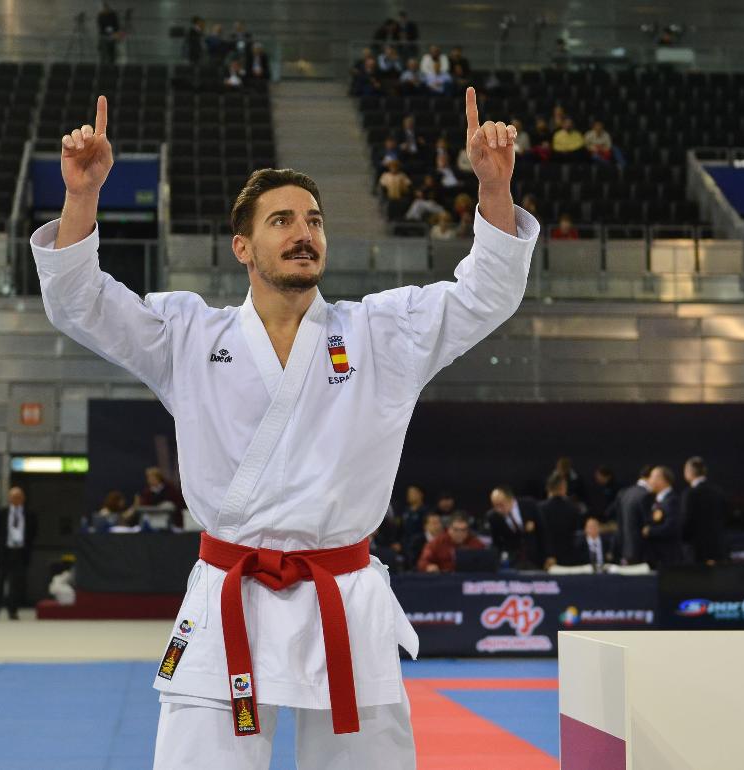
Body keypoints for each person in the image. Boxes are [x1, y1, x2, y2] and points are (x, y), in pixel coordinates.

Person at [34, 90, 536, 766]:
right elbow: (79, 302)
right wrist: (83, 196)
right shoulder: (188, 334)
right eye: (282, 220)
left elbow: (486, 294)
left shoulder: (383, 331)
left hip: (344, 597)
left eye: (314, 220)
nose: (304, 232)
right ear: (243, 245)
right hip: (228, 598)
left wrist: (495, 189)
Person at [0, 486, 37, 620]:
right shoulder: (2, 513)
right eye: (13, 497)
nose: (16, 499)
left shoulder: (29, 514)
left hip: (20, 553)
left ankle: (13, 611)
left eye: (18, 497)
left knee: (16, 584)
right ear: (9, 498)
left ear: (23, 499)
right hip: (5, 552)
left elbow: (33, 533)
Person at [680, 457, 726, 565]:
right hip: (717, 549)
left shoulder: (690, 494)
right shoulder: (718, 492)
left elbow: (686, 521)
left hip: (696, 551)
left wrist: (682, 540)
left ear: (688, 472)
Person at [486, 485, 542, 568]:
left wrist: (549, 555)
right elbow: (496, 543)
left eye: (501, 505)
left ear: (511, 499)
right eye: (495, 506)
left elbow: (544, 531)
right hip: (513, 562)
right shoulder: (493, 517)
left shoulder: (529, 505)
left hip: (536, 557)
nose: (498, 509)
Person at [609, 465, 652, 565]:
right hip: (642, 553)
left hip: (624, 550)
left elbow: (619, 523)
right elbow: (648, 526)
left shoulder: (624, 493)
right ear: (649, 476)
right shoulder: (646, 494)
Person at [641, 465, 683, 568]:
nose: (649, 481)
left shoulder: (672, 501)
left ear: (661, 479)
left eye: (651, 477)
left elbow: (671, 527)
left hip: (667, 558)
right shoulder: (658, 500)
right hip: (658, 557)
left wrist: (649, 531)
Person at [538, 472, 581, 568]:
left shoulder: (540, 508)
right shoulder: (573, 508)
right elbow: (576, 533)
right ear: (564, 488)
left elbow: (540, 535)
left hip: (546, 560)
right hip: (569, 558)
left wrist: (549, 555)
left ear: (548, 488)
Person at [417, 513, 484, 573]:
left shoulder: (475, 543)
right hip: (444, 581)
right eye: (455, 530)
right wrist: (428, 567)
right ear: (449, 529)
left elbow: (486, 563)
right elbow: (422, 562)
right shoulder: (437, 542)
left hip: (469, 580)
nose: (459, 533)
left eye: (463, 530)